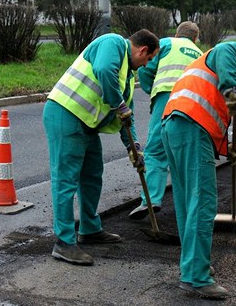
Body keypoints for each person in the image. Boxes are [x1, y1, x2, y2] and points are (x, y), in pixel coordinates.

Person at [42, 30, 160, 266]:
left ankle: (89, 228)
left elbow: (127, 116)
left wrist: (134, 148)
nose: (145, 65)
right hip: (66, 114)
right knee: (66, 180)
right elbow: (104, 71)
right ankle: (64, 243)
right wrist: (118, 105)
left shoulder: (126, 75)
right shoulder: (113, 43)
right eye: (148, 60)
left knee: (93, 175)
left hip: (86, 125)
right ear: (143, 50)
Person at [161, 40, 236, 299]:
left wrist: (227, 148)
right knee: (203, 203)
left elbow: (211, 109)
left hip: (176, 127)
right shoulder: (234, 51)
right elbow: (229, 49)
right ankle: (197, 277)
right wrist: (231, 89)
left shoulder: (206, 64)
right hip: (192, 127)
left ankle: (192, 266)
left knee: (186, 203)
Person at [128, 21, 203, 220]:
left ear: (178, 34)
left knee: (155, 149)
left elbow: (145, 68)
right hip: (193, 103)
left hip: (167, 96)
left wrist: (151, 88)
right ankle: (189, 206)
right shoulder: (199, 53)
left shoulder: (167, 43)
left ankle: (151, 200)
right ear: (195, 38)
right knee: (184, 154)